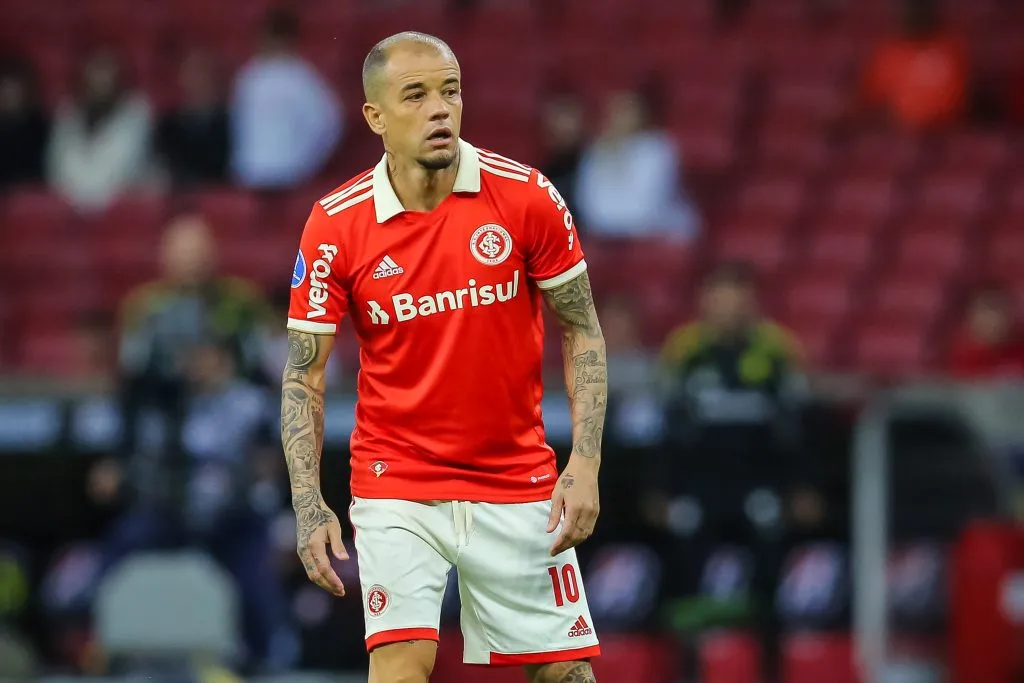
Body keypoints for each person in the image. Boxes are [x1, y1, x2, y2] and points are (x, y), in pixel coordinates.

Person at [282, 32, 607, 683]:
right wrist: (308, 501)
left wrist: (586, 463)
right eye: (417, 95)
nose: (440, 109)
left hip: (514, 474)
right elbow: (303, 372)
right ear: (375, 116)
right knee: (401, 664)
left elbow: (584, 330)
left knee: (564, 672)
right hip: (397, 477)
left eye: (450, 91)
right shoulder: (335, 225)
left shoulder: (526, 198)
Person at [230, 6, 342, 190]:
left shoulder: (303, 78)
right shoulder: (249, 76)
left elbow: (328, 125)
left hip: (291, 176)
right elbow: (240, 126)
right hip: (250, 174)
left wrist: (307, 165)